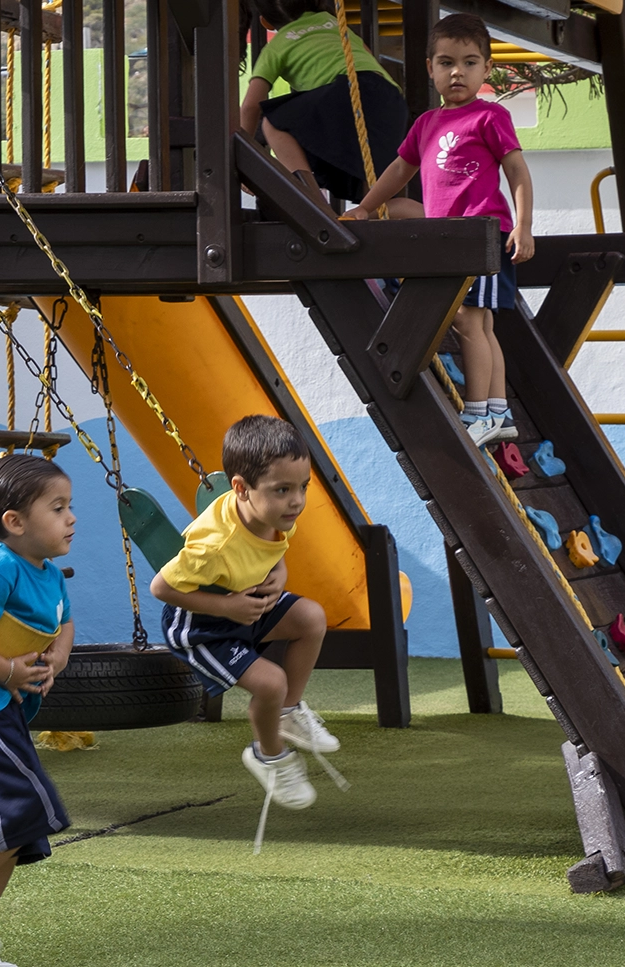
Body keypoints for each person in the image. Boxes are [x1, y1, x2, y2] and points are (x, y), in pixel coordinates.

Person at [343, 12, 535, 448]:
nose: (457, 72)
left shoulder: (489, 118)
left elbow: (517, 172)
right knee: (480, 325)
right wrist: (365, 208)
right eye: (446, 62)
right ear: (430, 68)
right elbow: (398, 168)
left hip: (482, 236)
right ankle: (498, 411)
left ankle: (478, 411)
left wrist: (523, 227)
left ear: (487, 69)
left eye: (469, 62)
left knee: (471, 320)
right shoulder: (427, 124)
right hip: (448, 238)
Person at [150, 416, 341, 819]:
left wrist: (280, 575)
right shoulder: (213, 544)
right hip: (202, 626)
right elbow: (161, 588)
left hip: (246, 604)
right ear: (241, 488)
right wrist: (226, 607)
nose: (297, 501)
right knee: (270, 683)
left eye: (302, 487)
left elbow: (275, 550)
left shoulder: (273, 513)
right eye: (283, 490)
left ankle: (289, 713)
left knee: (310, 617)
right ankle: (270, 757)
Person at [0, 454, 76, 967]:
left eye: (71, 507)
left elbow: (64, 621)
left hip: (9, 716)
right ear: (15, 522)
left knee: (16, 831)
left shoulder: (46, 573)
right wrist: (5, 672)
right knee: (25, 813)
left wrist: (61, 653)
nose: (71, 518)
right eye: (58, 507)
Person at [240, 0, 419, 208]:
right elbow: (366, 56)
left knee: (273, 122)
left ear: (265, 23)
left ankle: (315, 204)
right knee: (373, 197)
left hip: (342, 93)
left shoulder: (277, 46)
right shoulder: (333, 23)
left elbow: (251, 106)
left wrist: (242, 153)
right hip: (388, 98)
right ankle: (417, 212)